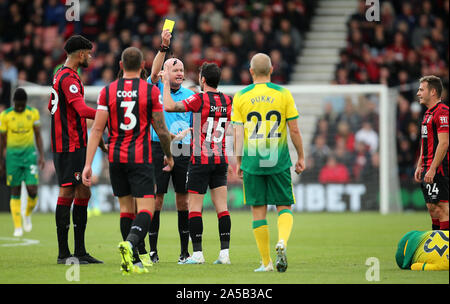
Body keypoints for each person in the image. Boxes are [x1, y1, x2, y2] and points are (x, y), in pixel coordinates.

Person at [82, 47, 174, 274]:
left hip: (115, 157)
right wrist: (169, 156)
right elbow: (162, 130)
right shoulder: (150, 91)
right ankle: (131, 244)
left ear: (121, 66)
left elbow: (96, 130)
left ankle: (133, 262)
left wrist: (87, 164)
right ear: (143, 66)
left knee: (125, 209)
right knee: (146, 209)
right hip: (140, 156)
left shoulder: (107, 91)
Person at [231, 53, 305, 273]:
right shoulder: (283, 94)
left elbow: (237, 133)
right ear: (272, 70)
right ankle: (282, 241)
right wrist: (301, 156)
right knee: (284, 205)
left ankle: (266, 263)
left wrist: (239, 161)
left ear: (251, 71)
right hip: (278, 160)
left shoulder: (240, 96)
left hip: (253, 162)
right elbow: (294, 129)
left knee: (258, 211)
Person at [163, 62, 233, 265]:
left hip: (200, 158)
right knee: (222, 207)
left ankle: (198, 254)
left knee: (194, 207)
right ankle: (224, 254)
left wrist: (167, 84)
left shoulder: (199, 98)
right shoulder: (228, 101)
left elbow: (168, 106)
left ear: (202, 80)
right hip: (220, 159)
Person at [48, 35, 105, 264]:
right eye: (89, 53)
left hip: (77, 144)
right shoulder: (68, 78)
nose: (90, 57)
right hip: (68, 146)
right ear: (81, 54)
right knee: (67, 193)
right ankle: (64, 253)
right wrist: (106, 113)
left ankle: (80, 252)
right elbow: (81, 110)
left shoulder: (63, 74)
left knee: (84, 192)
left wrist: (99, 141)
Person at [147, 28, 195, 264]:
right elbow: (154, 72)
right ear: (166, 72)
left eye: (181, 70)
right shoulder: (155, 86)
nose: (179, 73)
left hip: (182, 149)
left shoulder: (189, 93)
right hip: (157, 146)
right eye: (175, 69)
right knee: (156, 199)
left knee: (182, 200)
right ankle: (153, 251)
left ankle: (184, 252)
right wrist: (163, 47)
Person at [0, 88, 44, 237]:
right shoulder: (5, 116)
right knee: (15, 190)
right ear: (14, 103)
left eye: (22, 105)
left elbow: (38, 135)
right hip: (12, 157)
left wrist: (42, 156)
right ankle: (17, 227)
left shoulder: (33, 113)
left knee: (33, 190)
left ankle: (27, 214)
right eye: (17, 105)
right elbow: (2, 139)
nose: (19, 107)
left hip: (30, 155)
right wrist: (1, 160)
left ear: (26, 102)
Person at [414, 75, 449, 231]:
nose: (418, 93)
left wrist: (433, 168)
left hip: (440, 168)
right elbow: (425, 141)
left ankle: (446, 249)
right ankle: (438, 247)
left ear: (433, 92)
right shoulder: (428, 113)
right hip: (428, 166)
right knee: (432, 208)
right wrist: (420, 164)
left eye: (421, 89)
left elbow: (444, 143)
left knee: (442, 208)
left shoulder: (442, 112)